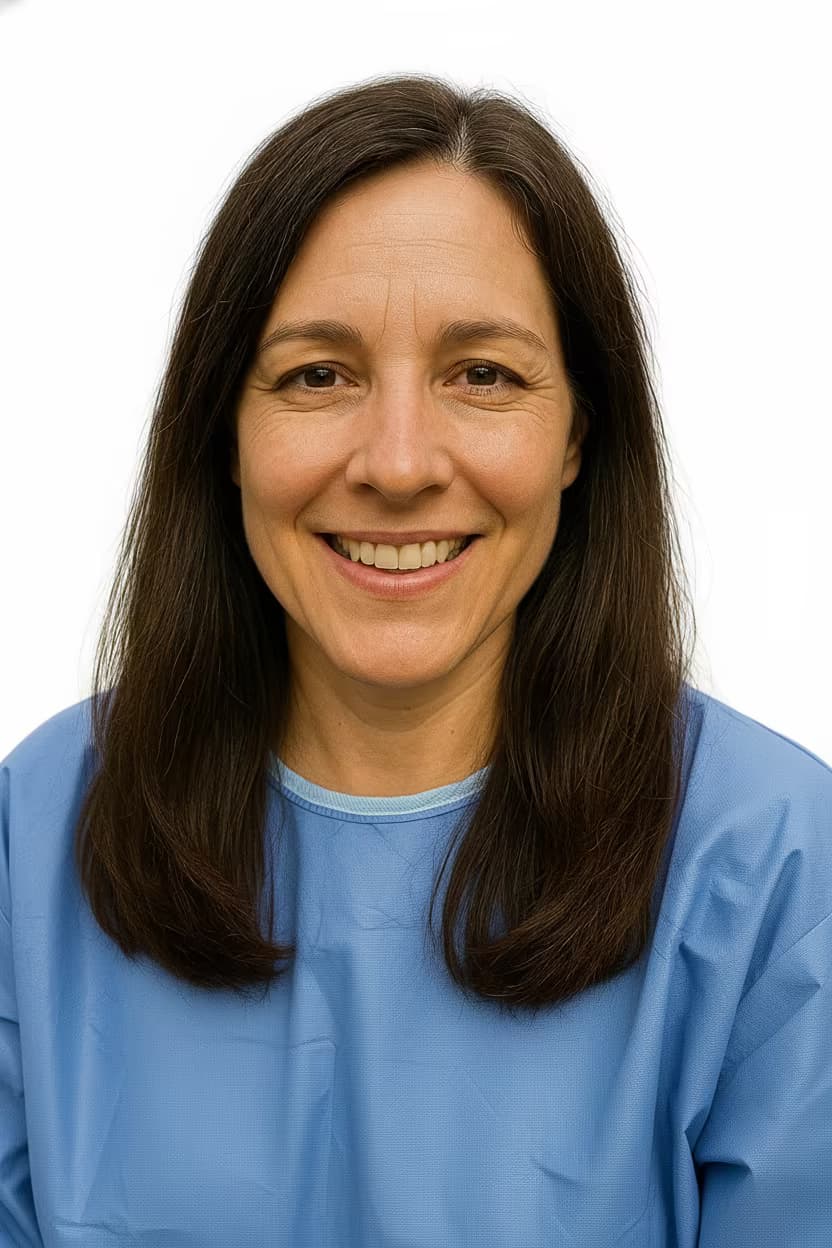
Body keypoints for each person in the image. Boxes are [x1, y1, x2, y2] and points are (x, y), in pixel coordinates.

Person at [2, 73, 831, 1248]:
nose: (397, 463)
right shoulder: (31, 836)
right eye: (316, 376)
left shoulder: (779, 873)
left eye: (482, 374)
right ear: (222, 434)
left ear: (577, 435)